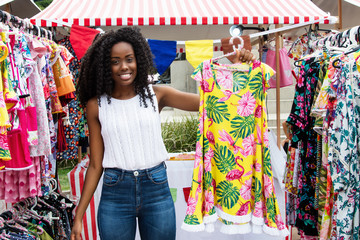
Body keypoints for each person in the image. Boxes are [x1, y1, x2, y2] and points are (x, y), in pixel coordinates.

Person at [70, 27, 255, 240]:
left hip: (155, 188)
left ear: (139, 59)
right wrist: (79, 215)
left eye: (129, 59)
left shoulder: (156, 95)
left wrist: (240, 68)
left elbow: (211, 102)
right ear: (105, 66)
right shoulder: (96, 106)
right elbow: (95, 164)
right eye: (115, 61)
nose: (124, 67)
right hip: (115, 193)